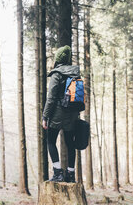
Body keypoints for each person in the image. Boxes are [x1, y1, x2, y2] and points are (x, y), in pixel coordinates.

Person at [42, 45, 80, 183]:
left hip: (57, 114)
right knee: (70, 143)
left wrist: (45, 116)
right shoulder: (76, 74)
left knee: (51, 141)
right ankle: (70, 174)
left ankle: (58, 173)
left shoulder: (56, 74)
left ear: (58, 58)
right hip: (72, 115)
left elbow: (51, 98)